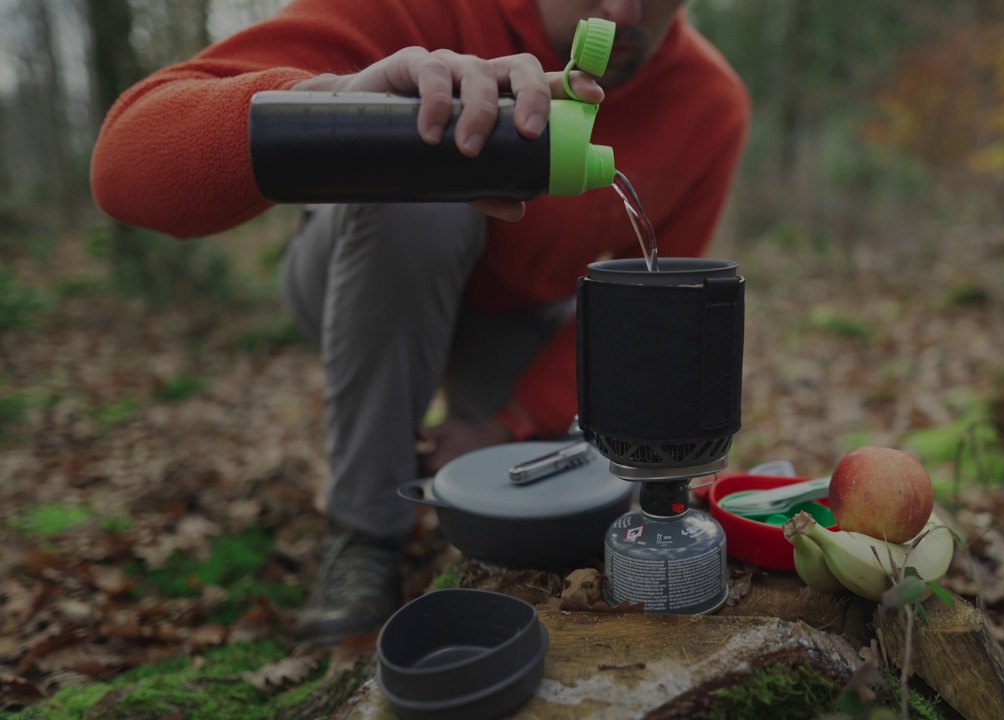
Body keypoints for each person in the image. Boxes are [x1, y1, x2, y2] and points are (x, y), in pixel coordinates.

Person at [90, 0, 750, 645]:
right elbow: (125, 164)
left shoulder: (709, 102)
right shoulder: (412, 7)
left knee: (538, 490)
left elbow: (655, 306)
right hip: (357, 274)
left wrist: (509, 421)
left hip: (516, 320)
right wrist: (342, 102)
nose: (624, 12)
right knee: (422, 179)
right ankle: (366, 532)